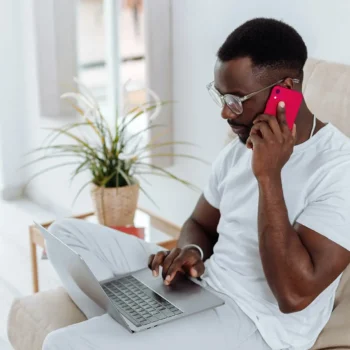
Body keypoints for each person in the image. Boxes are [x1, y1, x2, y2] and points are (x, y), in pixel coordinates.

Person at [43, 18, 350, 350]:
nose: (225, 114)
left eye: (235, 99)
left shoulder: (338, 168)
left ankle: (133, 330)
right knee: (64, 234)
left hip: (258, 323)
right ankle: (137, 324)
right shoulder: (237, 150)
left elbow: (293, 295)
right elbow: (199, 223)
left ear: (284, 91)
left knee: (61, 343)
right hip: (206, 286)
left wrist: (269, 175)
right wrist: (193, 250)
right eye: (220, 97)